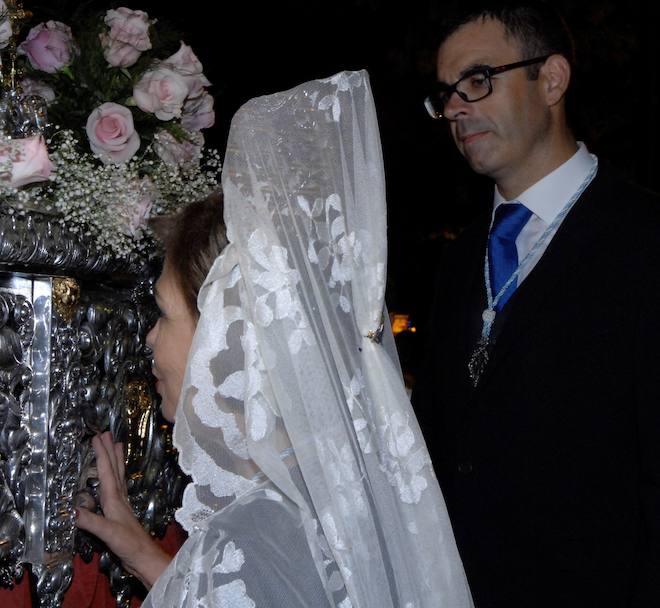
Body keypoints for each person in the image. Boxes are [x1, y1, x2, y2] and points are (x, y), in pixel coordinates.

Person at [77, 71, 472, 606]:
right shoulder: (333, 508)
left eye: (165, 314)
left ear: (229, 335)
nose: (148, 338)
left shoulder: (240, 541)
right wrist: (143, 554)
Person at [413, 3, 660, 606]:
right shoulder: (457, 258)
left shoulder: (646, 239)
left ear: (551, 80)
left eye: (477, 81)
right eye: (445, 94)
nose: (455, 109)